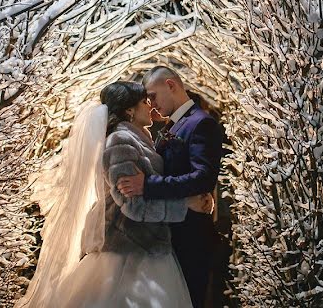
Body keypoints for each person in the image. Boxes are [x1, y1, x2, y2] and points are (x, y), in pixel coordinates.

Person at [16, 81, 213, 308]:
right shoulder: (120, 142)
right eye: (143, 102)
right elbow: (134, 206)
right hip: (128, 252)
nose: (150, 106)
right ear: (129, 110)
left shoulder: (138, 138)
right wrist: (185, 204)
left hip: (144, 246)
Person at [117, 66, 224, 308]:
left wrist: (148, 185)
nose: (151, 104)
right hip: (170, 236)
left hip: (191, 237)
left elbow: (203, 178)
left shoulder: (201, 123)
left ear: (170, 85)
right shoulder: (172, 126)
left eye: (152, 96)